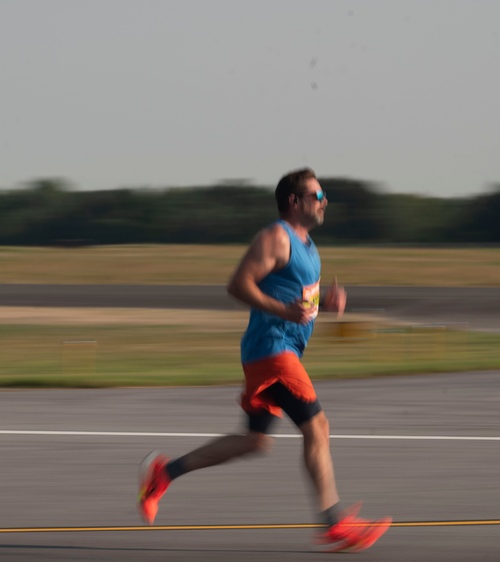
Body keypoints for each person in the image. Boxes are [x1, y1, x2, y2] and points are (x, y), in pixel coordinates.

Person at [137, 167, 391, 553]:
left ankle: (164, 473)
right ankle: (335, 521)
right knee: (317, 426)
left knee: (254, 442)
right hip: (273, 350)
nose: (325, 203)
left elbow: (296, 298)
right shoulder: (277, 236)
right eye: (317, 196)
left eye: (324, 196)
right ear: (295, 201)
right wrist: (282, 312)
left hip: (276, 350)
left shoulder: (306, 246)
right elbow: (238, 284)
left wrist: (325, 302)